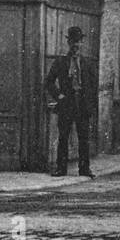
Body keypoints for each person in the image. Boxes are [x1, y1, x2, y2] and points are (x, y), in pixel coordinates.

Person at [44, 26, 95, 177]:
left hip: (82, 104)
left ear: (82, 43)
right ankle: (61, 169)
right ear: (69, 43)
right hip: (67, 103)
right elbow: (49, 82)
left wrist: (90, 105)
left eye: (78, 42)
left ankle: (84, 169)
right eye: (73, 42)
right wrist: (58, 95)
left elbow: (93, 85)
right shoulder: (60, 62)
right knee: (63, 137)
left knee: (84, 138)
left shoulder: (87, 63)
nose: (76, 45)